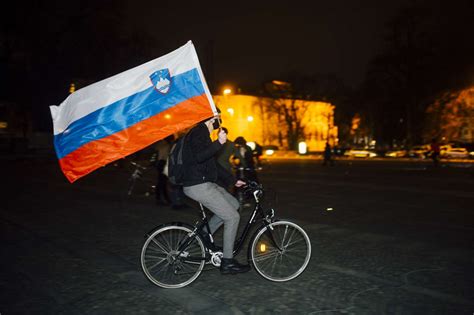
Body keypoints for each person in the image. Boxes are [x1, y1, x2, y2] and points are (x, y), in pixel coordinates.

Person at [181, 111, 250, 275]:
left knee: (234, 204)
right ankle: (227, 262)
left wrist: (233, 180)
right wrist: (218, 143)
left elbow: (213, 165)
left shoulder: (204, 134)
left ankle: (204, 236)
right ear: (212, 117)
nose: (220, 120)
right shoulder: (198, 132)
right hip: (198, 185)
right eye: (218, 116)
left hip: (206, 183)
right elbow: (199, 156)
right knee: (232, 217)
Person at [154, 135, 173, 205]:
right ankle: (165, 199)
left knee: (160, 182)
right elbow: (167, 155)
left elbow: (156, 150)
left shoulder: (160, 143)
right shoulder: (166, 145)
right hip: (163, 163)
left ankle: (160, 198)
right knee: (163, 182)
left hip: (159, 162)